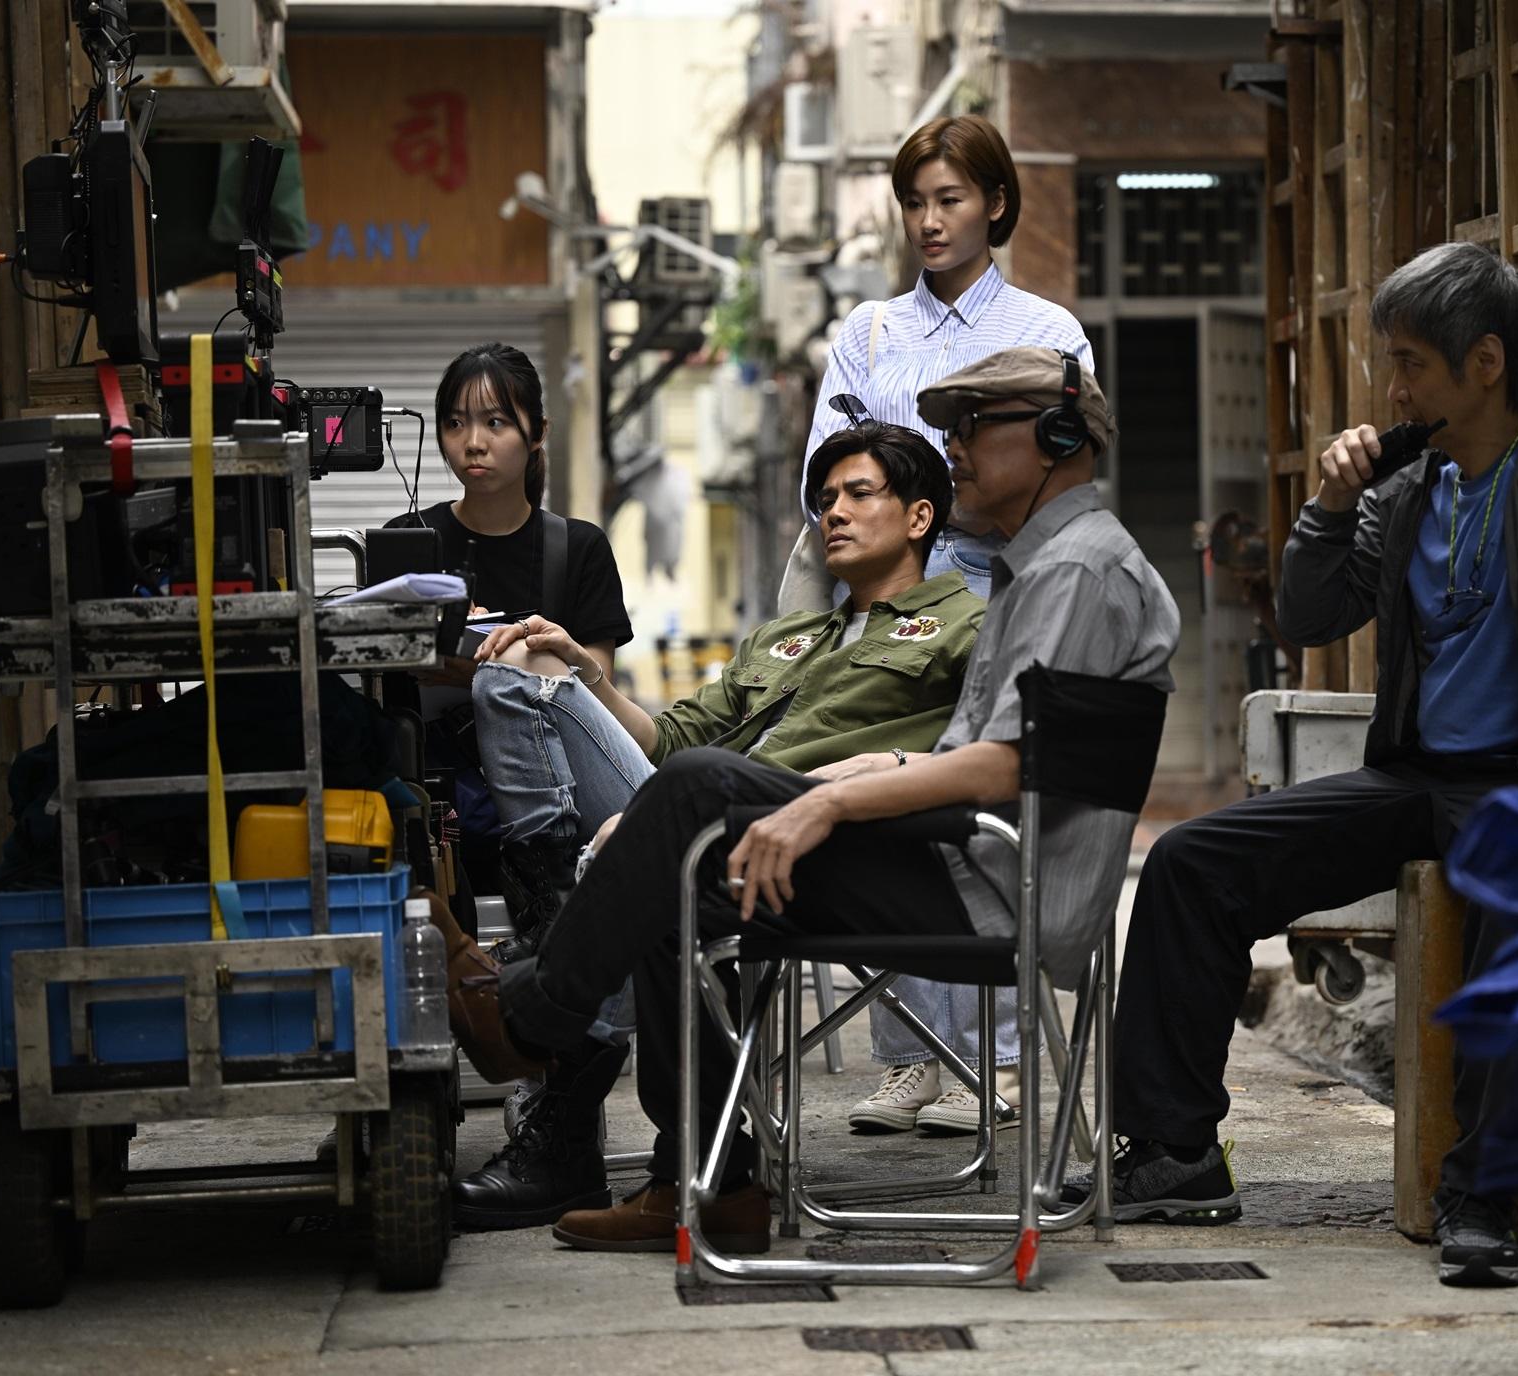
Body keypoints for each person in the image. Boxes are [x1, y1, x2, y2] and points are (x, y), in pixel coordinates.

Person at [479, 346, 1176, 1255]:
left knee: (690, 794)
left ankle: (530, 1015)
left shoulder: (1073, 572)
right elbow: (991, 751)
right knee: (674, 874)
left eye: (973, 427)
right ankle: (708, 1180)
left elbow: (1007, 764)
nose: (956, 448)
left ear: (1056, 436)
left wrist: (832, 799)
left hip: (985, 881)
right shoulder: (1040, 568)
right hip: (955, 858)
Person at [1078, 242, 1518, 1290]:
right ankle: (1176, 1152)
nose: (1394, 391)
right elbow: (1316, 614)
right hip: (1417, 776)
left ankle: (1483, 1194)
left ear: (1486, 364)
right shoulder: (1410, 481)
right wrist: (1330, 509)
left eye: (1411, 364)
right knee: (1194, 864)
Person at [447, 421, 986, 1230]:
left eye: (858, 494)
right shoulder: (786, 638)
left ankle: (536, 1012)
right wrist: (586, 674)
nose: (833, 513)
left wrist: (854, 775)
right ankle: (707, 1182)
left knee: (679, 823)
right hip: (712, 828)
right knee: (522, 676)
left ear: (918, 517)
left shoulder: (967, 628)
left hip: (836, 848)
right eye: (825, 499)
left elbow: (977, 758)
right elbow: (667, 740)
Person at [786, 113, 1094, 1136]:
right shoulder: (869, 333)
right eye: (915, 201)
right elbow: (825, 475)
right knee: (881, 809)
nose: (928, 220)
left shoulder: (1050, 333)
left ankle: (997, 1060)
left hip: (1005, 591)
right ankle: (913, 1055)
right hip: (887, 604)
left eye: (949, 199)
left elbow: (1066, 471)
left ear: (996, 203)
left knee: (976, 816)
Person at [382, 342, 633, 948]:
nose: (473, 443)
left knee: (525, 667)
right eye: (455, 423)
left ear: (538, 433)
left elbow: (593, 697)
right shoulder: (406, 542)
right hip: (440, 795)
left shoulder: (578, 548)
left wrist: (495, 665)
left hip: (561, 793)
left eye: (496, 422)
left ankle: (551, 902)